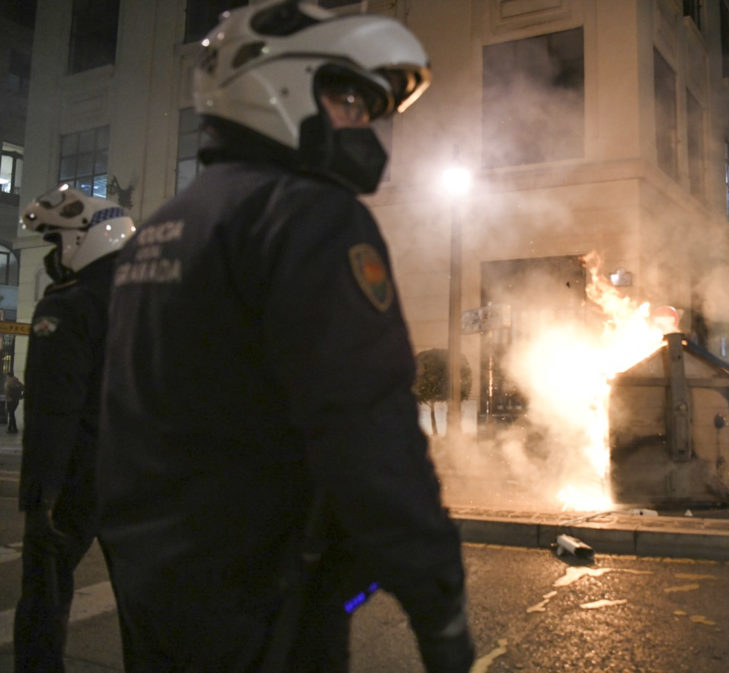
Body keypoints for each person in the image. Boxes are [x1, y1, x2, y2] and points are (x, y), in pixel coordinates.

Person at [96, 2, 473, 672]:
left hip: (156, 589)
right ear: (281, 86)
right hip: (261, 601)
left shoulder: (162, 227)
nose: (364, 122)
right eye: (350, 97)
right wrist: (438, 602)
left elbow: (126, 422)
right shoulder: (309, 216)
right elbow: (367, 428)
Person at [14, 186, 135, 673]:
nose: (53, 258)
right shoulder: (157, 300)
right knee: (144, 605)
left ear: (85, 239)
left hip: (78, 476)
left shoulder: (68, 305)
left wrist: (39, 493)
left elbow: (51, 409)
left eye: (56, 243)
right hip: (140, 475)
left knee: (45, 597)